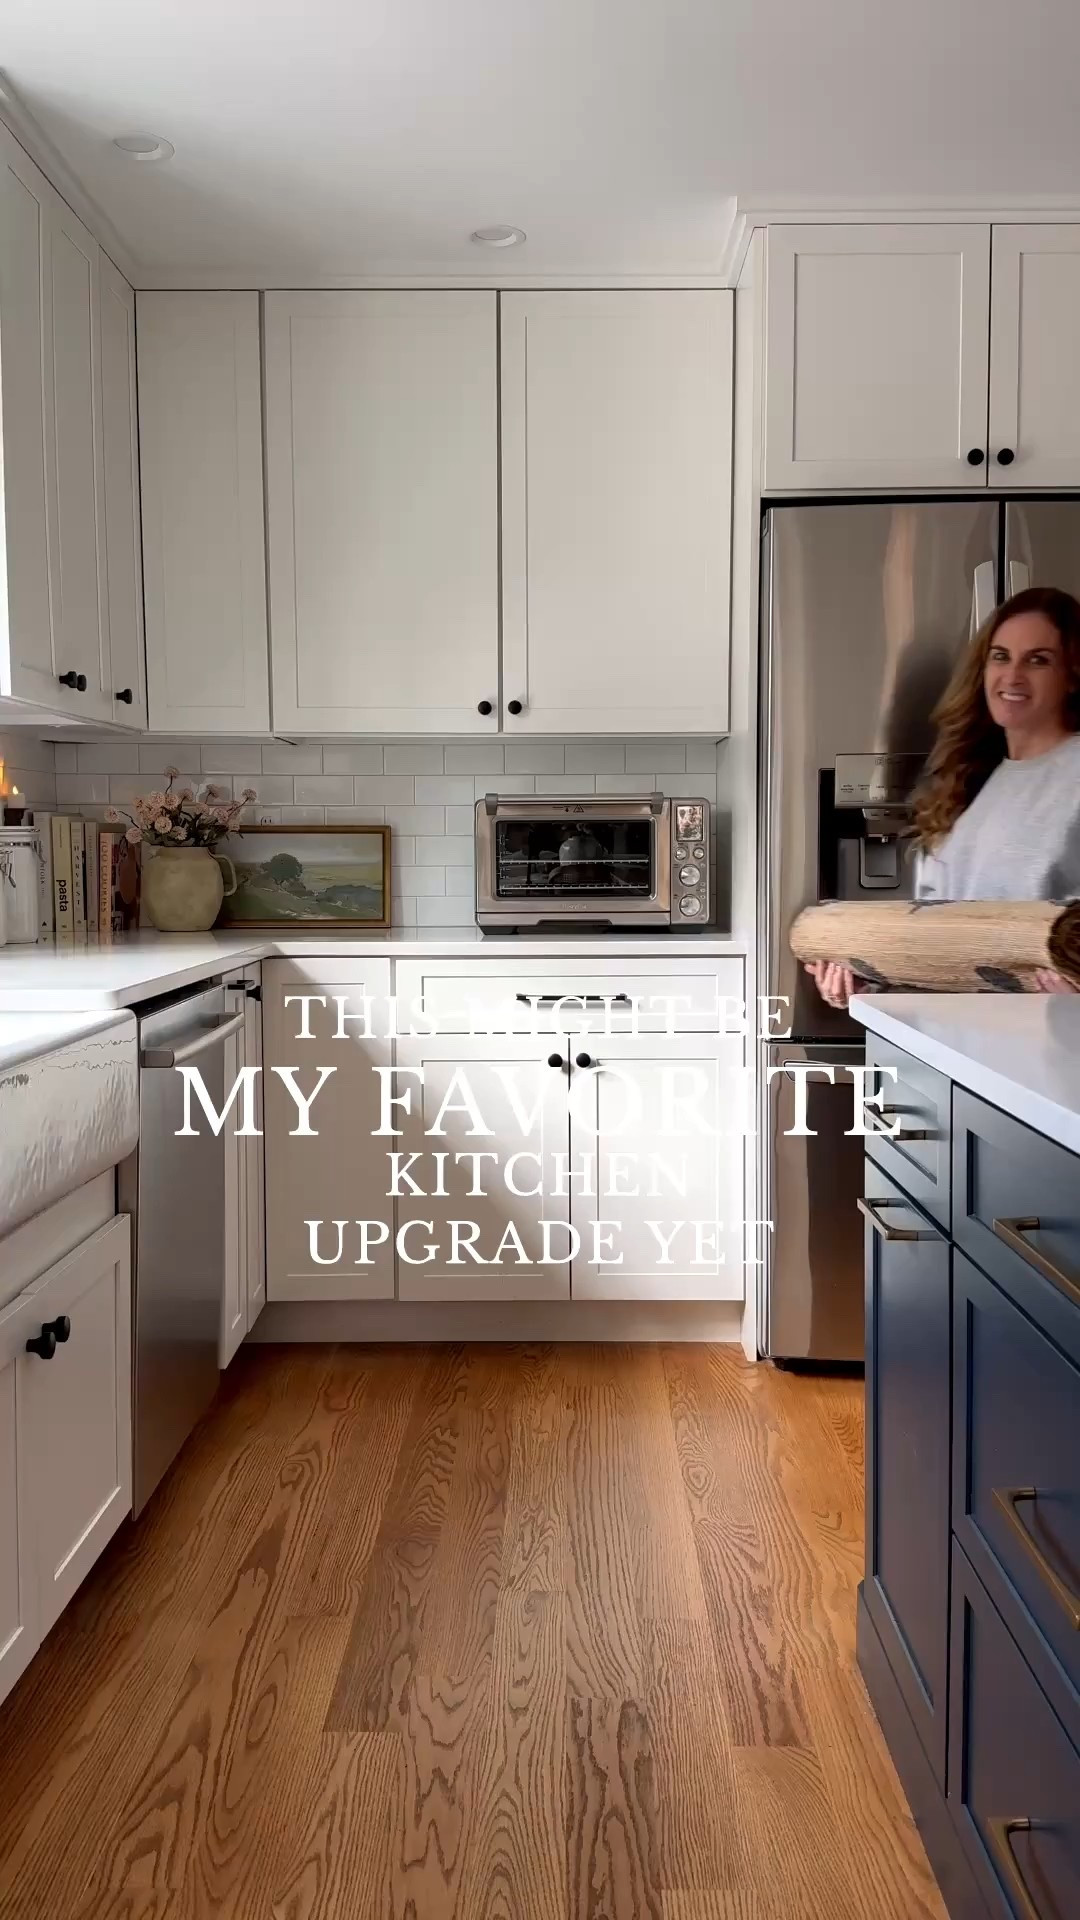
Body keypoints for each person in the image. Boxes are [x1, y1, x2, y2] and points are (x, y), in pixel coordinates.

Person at [807, 585, 1080, 1009]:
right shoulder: (970, 779)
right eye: (1001, 656)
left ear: (1072, 675)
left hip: (1040, 1055)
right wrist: (869, 985)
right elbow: (935, 938)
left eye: (1039, 660)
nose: (1013, 676)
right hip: (946, 1048)